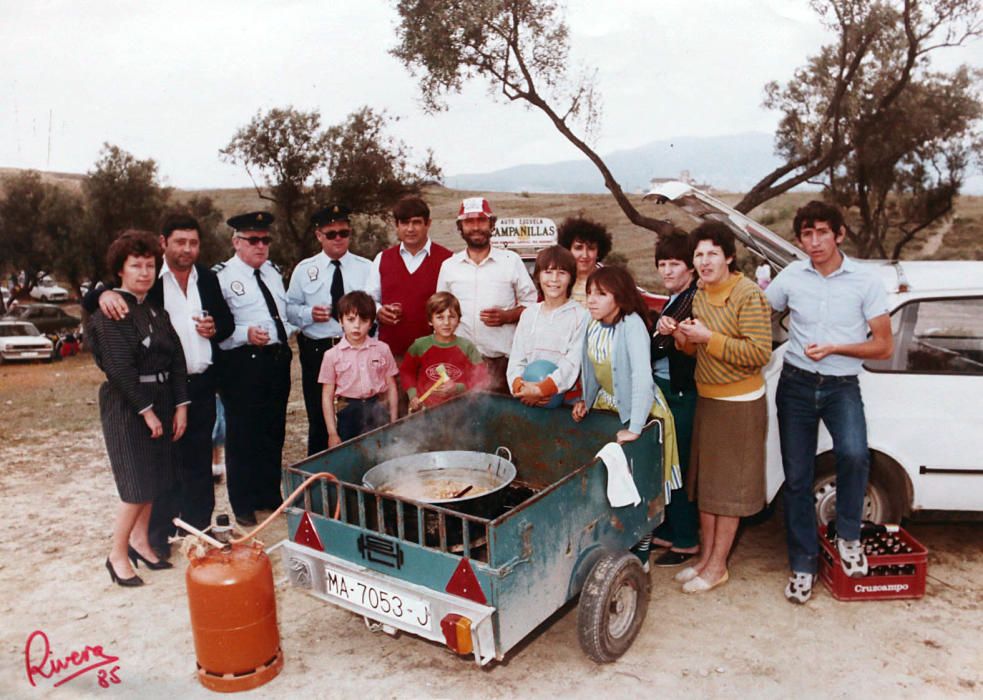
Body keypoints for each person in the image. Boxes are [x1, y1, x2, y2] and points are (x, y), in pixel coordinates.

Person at [83, 213, 234, 560]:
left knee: (198, 464)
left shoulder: (208, 278)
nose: (187, 249)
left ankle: (198, 532)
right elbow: (108, 299)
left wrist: (215, 327)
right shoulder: (150, 284)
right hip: (152, 394)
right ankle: (154, 536)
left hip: (196, 385)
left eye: (194, 242)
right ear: (164, 243)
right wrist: (100, 295)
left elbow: (225, 323)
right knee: (159, 468)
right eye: (180, 242)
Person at [766, 201, 892, 604]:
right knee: (798, 478)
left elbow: (884, 346)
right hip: (796, 384)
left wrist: (838, 347)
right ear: (799, 238)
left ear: (839, 234)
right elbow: (758, 313)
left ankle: (850, 536)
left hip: (842, 385)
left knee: (854, 454)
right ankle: (803, 566)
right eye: (807, 234)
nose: (815, 241)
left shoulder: (865, 281)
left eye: (823, 232)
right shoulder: (790, 277)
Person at [671, 221, 772, 593]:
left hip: (739, 404)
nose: (705, 260)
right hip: (709, 399)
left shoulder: (748, 294)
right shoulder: (699, 293)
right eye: (698, 254)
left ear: (729, 256)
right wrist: (682, 337)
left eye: (713, 252)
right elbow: (693, 348)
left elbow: (759, 353)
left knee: (728, 491)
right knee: (708, 486)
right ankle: (705, 558)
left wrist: (708, 338)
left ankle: (718, 566)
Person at [86, 230, 189, 586]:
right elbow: (118, 368)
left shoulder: (155, 311)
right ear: (120, 271)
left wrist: (180, 407)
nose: (144, 272)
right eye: (136, 266)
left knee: (155, 479)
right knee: (135, 484)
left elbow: (176, 359)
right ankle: (117, 554)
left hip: (161, 400)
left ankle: (141, 541)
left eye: (149, 265)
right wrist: (146, 411)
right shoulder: (112, 312)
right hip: (128, 405)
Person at [572, 266, 682, 568]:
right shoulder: (592, 323)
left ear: (619, 298)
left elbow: (642, 378)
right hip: (609, 405)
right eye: (590, 293)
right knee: (614, 484)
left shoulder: (632, 324)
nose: (591, 300)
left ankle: (642, 556)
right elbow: (591, 368)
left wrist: (636, 427)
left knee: (640, 487)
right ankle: (617, 549)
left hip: (641, 410)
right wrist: (586, 399)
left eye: (601, 294)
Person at [215, 211, 296, 527]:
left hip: (276, 360)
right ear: (236, 242)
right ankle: (244, 502)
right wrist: (245, 334)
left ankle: (268, 494)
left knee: (272, 430)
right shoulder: (221, 277)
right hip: (243, 364)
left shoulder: (273, 273)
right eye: (253, 240)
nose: (261, 246)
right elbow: (218, 330)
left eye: (265, 240)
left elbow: (283, 315)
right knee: (242, 433)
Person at [287, 204, 372, 455]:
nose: (338, 239)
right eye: (331, 234)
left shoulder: (366, 267)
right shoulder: (304, 270)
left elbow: (375, 305)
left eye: (343, 233)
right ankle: (320, 482)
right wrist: (308, 314)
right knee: (319, 418)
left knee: (357, 416)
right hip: (318, 350)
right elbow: (289, 308)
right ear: (319, 235)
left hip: (357, 350)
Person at [436, 197, 537, 393]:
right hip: (460, 360)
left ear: (491, 224)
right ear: (460, 227)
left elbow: (532, 306)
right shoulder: (449, 266)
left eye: (481, 221)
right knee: (461, 420)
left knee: (502, 421)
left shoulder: (511, 261)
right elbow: (439, 311)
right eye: (469, 221)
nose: (475, 227)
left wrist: (508, 316)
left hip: (502, 363)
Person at [648, 231, 700, 567]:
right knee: (665, 463)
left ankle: (686, 539)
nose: (667, 271)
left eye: (675, 264)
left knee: (676, 464)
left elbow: (672, 349)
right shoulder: (674, 299)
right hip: (666, 389)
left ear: (691, 268)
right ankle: (667, 529)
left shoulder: (691, 301)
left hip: (680, 393)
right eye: (662, 264)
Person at [365, 195, 453, 361]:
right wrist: (379, 311)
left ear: (428, 224)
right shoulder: (382, 259)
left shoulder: (447, 260)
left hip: (434, 356)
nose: (410, 229)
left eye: (417, 222)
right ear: (396, 226)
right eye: (405, 223)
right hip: (391, 357)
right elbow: (369, 298)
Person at [506, 245, 588, 406]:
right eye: (548, 272)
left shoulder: (581, 316)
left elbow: (573, 363)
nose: (554, 279)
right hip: (528, 399)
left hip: (567, 402)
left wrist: (542, 389)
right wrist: (521, 388)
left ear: (571, 278)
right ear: (537, 276)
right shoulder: (528, 315)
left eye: (562, 273)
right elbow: (516, 359)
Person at [319, 291, 399, 446]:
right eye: (350, 319)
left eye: (363, 320)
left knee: (381, 452)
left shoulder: (382, 349)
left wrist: (393, 421)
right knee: (350, 456)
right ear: (341, 320)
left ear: (371, 323)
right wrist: (332, 433)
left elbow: (392, 387)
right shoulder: (331, 355)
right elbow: (327, 396)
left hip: (377, 409)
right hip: (348, 412)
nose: (357, 325)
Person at [401, 291, 486, 411]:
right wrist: (413, 396)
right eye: (440, 317)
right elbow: (407, 372)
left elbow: (482, 378)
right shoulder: (420, 345)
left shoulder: (467, 347)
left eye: (451, 317)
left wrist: (458, 388)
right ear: (430, 320)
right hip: (425, 411)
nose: (446, 323)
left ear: (459, 320)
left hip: (459, 411)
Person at [557, 216, 613, 306]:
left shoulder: (610, 281)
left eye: (591, 248)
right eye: (578, 248)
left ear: (598, 252)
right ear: (568, 249)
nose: (585, 255)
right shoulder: (558, 281)